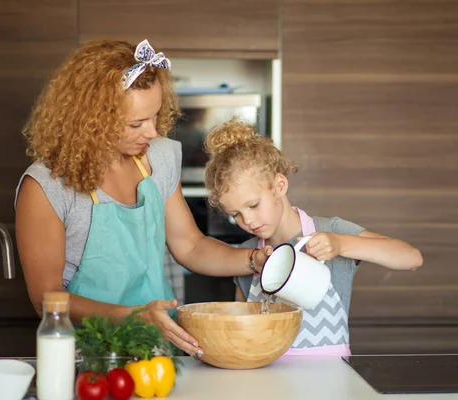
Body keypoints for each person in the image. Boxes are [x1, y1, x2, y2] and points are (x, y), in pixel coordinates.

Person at [14, 39, 272, 358]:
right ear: (92, 120)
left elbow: (190, 246)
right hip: (86, 356)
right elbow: (46, 297)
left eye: (155, 115)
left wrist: (252, 261)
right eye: (136, 123)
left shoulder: (158, 158)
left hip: (156, 349)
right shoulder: (46, 186)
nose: (152, 132)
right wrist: (136, 316)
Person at [203, 118, 424, 356]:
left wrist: (341, 244)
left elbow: (411, 258)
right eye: (235, 214)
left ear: (279, 186)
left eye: (254, 205)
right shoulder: (247, 255)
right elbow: (241, 334)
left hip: (330, 381)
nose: (248, 221)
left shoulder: (332, 232)